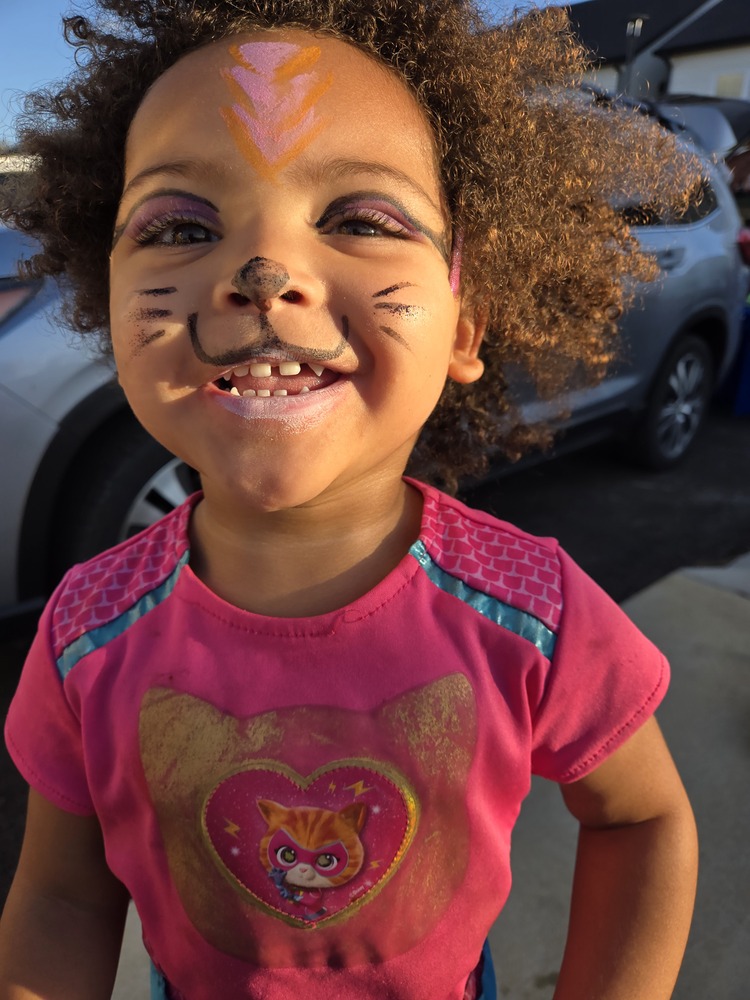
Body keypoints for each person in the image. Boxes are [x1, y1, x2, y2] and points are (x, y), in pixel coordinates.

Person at [0, 2, 699, 998]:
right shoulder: (83, 633)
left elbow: (641, 817)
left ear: (466, 323)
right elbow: (64, 898)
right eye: (182, 226)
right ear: (101, 294)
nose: (265, 275)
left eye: (360, 220)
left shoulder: (533, 612)